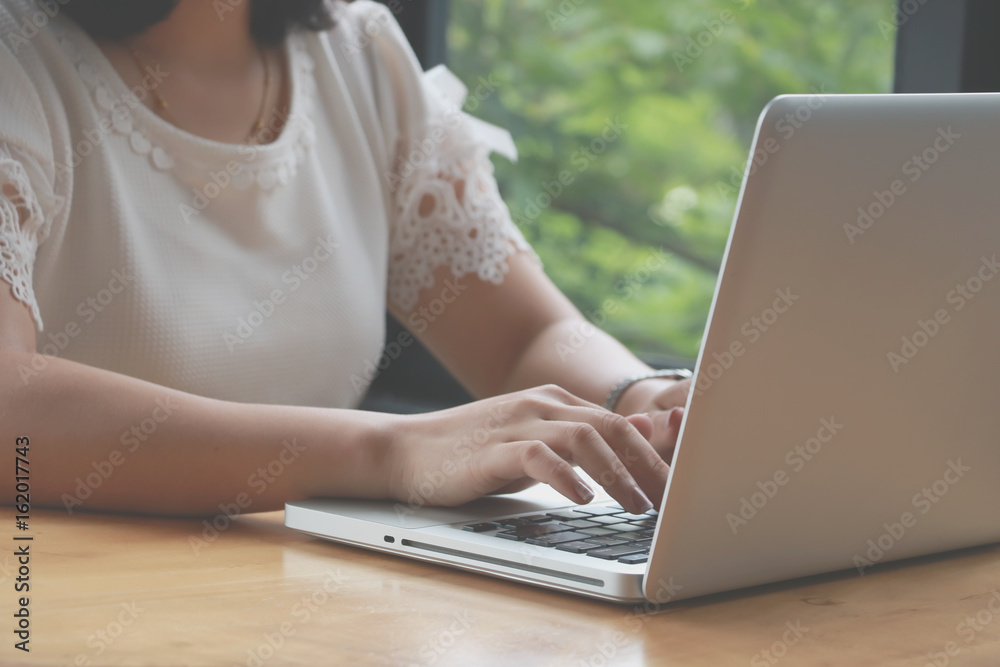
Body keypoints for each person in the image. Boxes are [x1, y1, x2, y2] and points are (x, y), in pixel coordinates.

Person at [0, 0, 691, 516]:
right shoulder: (19, 59)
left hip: (311, 600)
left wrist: (639, 404)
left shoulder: (359, 55)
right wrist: (391, 452)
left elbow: (522, 337)